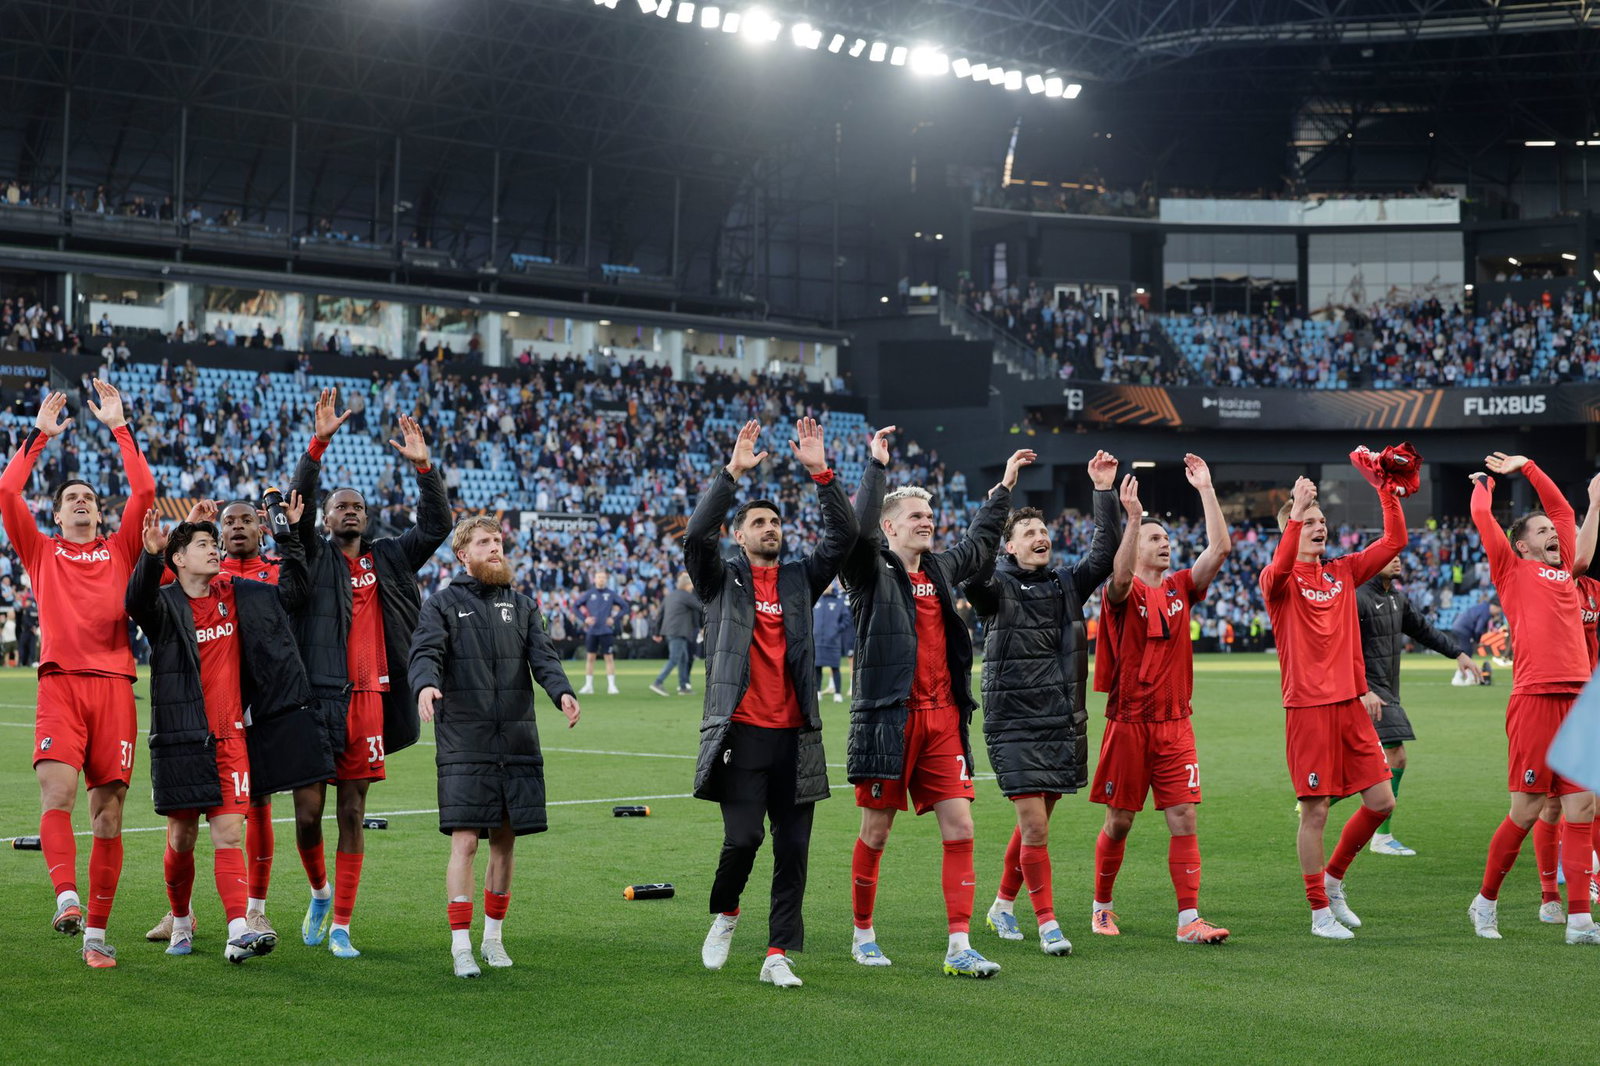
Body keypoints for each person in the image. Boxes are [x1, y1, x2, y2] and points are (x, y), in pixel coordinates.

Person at [842, 439, 1034, 978]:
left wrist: (1003, 488)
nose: (927, 522)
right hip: (888, 720)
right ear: (891, 528)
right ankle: (863, 935)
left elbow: (978, 543)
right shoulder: (868, 571)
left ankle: (959, 945)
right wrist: (877, 467)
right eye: (915, 516)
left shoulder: (941, 571)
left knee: (962, 828)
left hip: (944, 718)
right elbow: (855, 531)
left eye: (929, 515)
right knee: (876, 832)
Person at [686, 417, 860, 989]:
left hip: (797, 736)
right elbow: (694, 538)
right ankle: (727, 912)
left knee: (794, 848)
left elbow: (843, 539)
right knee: (743, 840)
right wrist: (732, 473)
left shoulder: (799, 580)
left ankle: (777, 952)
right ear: (739, 535)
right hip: (740, 733)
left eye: (776, 522)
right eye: (758, 522)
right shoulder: (719, 580)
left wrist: (821, 472)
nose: (770, 529)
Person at [283, 388, 452, 958]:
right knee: (308, 815)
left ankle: (342, 927)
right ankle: (320, 892)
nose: (349, 510)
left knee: (353, 812)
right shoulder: (310, 553)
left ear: (367, 516)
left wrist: (424, 468)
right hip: (317, 698)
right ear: (325, 518)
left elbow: (436, 526)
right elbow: (298, 498)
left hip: (371, 699)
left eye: (357, 506)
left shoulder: (390, 557)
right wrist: (319, 443)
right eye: (339, 506)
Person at [127, 500, 330, 963]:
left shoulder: (237, 595)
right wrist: (150, 554)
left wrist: (288, 534)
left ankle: (238, 927)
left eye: (214, 544)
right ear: (179, 559)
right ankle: (181, 921)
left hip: (231, 738)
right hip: (180, 740)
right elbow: (133, 601)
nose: (215, 549)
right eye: (203, 545)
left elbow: (293, 591)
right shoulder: (163, 606)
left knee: (228, 836)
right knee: (181, 840)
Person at [0, 383, 153, 967]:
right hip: (61, 684)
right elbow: (7, 489)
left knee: (109, 813)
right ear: (57, 513)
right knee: (57, 793)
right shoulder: (40, 552)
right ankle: (66, 897)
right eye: (73, 499)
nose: (83, 502)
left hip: (115, 687)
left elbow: (144, 489)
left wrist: (119, 425)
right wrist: (40, 435)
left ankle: (96, 936)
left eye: (89, 496)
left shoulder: (121, 551)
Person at [409, 517, 581, 978]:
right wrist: (425, 685)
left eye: (498, 541)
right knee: (465, 841)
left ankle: (493, 939)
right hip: (465, 738)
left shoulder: (523, 605)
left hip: (518, 738)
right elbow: (425, 652)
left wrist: (561, 691)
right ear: (462, 554)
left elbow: (543, 656)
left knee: (505, 841)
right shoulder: (442, 605)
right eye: (484, 542)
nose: (495, 548)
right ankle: (460, 945)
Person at [966, 449, 1119, 957]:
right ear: (1008, 547)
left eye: (1043, 531)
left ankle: (1002, 906)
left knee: (1037, 824)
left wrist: (1102, 491)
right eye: (1028, 532)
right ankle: (1049, 923)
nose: (1040, 537)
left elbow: (1105, 553)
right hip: (1011, 724)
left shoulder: (1065, 584)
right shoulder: (994, 586)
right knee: (1034, 825)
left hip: (1059, 720)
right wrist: (1003, 490)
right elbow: (971, 569)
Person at [1090, 453, 1233, 944]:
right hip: (1129, 721)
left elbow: (1219, 548)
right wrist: (1132, 519)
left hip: (1175, 721)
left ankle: (1188, 919)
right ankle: (1102, 906)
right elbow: (1122, 578)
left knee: (1184, 815)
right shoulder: (1120, 592)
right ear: (1135, 548)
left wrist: (1206, 490)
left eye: (1166, 538)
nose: (1165, 543)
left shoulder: (1180, 588)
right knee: (1121, 820)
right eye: (1156, 538)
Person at [1259, 463, 1404, 940]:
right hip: (1308, 709)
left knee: (1382, 802)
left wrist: (1386, 492)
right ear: (1291, 530)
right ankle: (1319, 911)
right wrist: (1297, 509)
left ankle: (1334, 879)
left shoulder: (1342, 571)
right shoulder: (1276, 581)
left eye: (1323, 521)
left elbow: (1393, 542)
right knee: (1316, 810)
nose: (1320, 527)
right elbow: (1281, 565)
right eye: (1310, 522)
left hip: (1351, 707)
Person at [1467, 453, 1599, 944]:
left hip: (1577, 704)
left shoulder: (1566, 573)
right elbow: (1484, 519)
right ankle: (1485, 902)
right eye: (1540, 531)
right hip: (1535, 699)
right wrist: (1484, 486)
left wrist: (1530, 468)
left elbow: (1565, 513)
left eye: (1550, 532)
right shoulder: (1511, 570)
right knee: (1526, 811)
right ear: (1520, 545)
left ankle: (1581, 921)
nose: (1551, 534)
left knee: (1582, 809)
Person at [1355, 555, 1480, 857]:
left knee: (1369, 764)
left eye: (1399, 555)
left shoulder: (1397, 599)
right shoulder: (1358, 598)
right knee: (1394, 757)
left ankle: (1317, 800)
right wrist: (1363, 689)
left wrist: (1457, 653)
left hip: (1386, 690)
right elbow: (1342, 647)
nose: (1397, 559)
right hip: (1370, 691)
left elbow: (1424, 631)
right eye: (1389, 555)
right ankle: (1381, 836)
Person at [650, 572, 702, 697]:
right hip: (679, 632)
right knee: (674, 659)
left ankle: (683, 687)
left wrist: (657, 632)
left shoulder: (670, 596)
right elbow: (701, 608)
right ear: (688, 585)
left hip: (671, 631)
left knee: (683, 659)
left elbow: (660, 615)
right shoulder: (686, 596)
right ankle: (658, 682)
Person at [575, 570, 627, 694]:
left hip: (606, 630)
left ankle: (611, 686)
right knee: (590, 658)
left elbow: (625, 607)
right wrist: (585, 619)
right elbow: (575, 606)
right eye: (599, 577)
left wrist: (614, 619)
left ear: (606, 579)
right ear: (595, 579)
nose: (601, 579)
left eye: (603, 577)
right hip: (592, 631)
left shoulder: (611, 594)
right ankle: (588, 686)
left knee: (609, 658)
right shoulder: (589, 593)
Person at [812, 582, 853, 703]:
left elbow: (846, 618)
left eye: (828, 585)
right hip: (818, 640)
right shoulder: (816, 600)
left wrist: (836, 629)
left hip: (833, 641)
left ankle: (837, 693)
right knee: (817, 668)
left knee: (835, 667)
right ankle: (817, 692)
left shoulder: (838, 600)